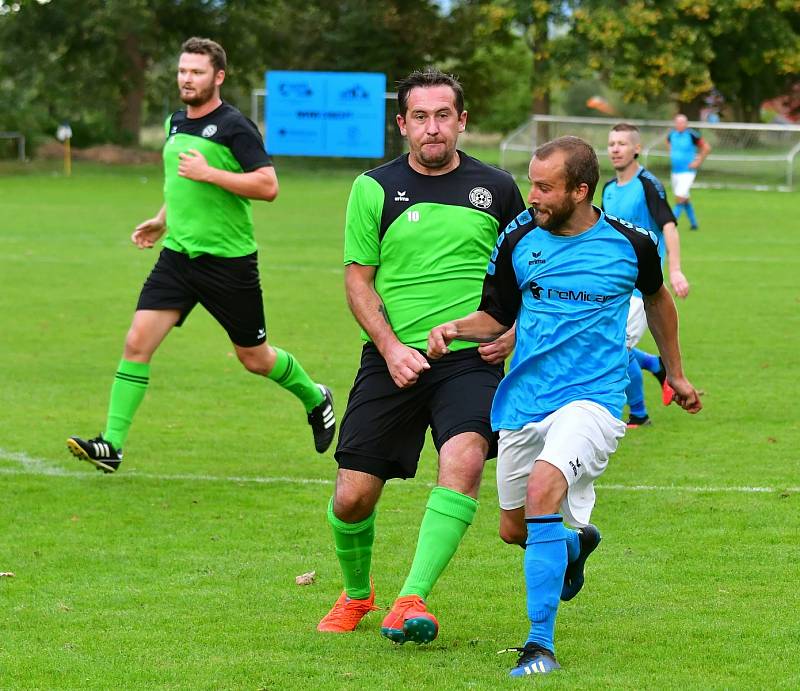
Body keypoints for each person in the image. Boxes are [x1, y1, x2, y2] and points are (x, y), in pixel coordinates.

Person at [427, 136, 702, 675]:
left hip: (594, 401)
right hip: (526, 401)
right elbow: (496, 315)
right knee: (514, 528)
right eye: (531, 182)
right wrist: (455, 329)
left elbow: (658, 301)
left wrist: (675, 371)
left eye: (545, 187)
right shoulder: (518, 238)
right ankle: (573, 548)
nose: (532, 195)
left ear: (580, 190)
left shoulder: (631, 244)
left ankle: (539, 646)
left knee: (541, 491)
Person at [316, 68, 525, 643]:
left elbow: (527, 275)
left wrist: (514, 332)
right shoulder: (373, 188)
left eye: (443, 116)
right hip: (392, 359)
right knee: (353, 497)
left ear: (461, 120)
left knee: (463, 460)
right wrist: (390, 348)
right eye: (420, 118)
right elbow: (359, 281)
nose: (432, 129)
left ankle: (411, 598)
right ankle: (358, 594)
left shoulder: (499, 189)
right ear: (402, 123)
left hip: (470, 360)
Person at [66, 37, 335, 473]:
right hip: (177, 257)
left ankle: (314, 395)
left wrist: (211, 173)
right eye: (182, 71)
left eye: (196, 72)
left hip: (227, 262)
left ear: (218, 77)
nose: (187, 79)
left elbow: (268, 186)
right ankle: (111, 444)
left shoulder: (235, 127)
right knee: (136, 343)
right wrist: (161, 220)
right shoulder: (176, 121)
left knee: (254, 358)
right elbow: (182, 184)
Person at [602, 122, 689, 427]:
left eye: (622, 143)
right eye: (612, 143)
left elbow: (668, 225)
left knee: (615, 348)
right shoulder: (609, 190)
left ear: (636, 148)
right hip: (612, 285)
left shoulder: (648, 183)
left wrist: (675, 270)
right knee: (606, 343)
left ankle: (638, 413)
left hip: (641, 287)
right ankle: (655, 365)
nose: (615, 149)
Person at [667, 114, 711, 230]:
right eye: (678, 122)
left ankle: (670, 223)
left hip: (688, 171)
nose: (680, 125)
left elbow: (706, 147)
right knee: (684, 198)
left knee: (680, 197)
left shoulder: (692, 135)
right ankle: (694, 224)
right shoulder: (672, 135)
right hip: (675, 171)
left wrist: (698, 161)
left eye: (682, 123)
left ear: (686, 124)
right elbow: (669, 145)